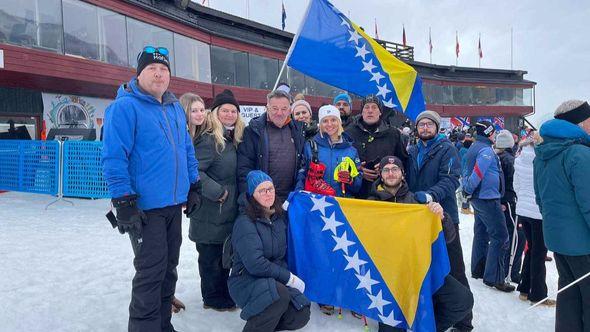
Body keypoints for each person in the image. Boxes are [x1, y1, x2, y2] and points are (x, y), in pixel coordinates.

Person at [102, 46, 200, 332]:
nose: (159, 74)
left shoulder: (172, 108)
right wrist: (123, 200)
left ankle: (162, 324)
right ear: (139, 73)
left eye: (164, 69)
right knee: (150, 272)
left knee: (169, 270)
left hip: (172, 206)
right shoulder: (124, 107)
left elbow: (186, 149)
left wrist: (194, 185)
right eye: (152, 69)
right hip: (144, 208)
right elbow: (114, 156)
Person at [368, 156, 473, 332]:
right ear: (381, 175)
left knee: (462, 300)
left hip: (422, 270)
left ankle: (427, 328)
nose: (391, 173)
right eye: (386, 170)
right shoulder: (370, 205)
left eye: (395, 169)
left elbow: (448, 238)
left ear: (403, 174)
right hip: (389, 277)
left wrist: (442, 217)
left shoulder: (418, 202)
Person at [406, 110, 473, 332]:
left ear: (436, 128)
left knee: (453, 268)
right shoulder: (413, 150)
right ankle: (433, 313)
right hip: (418, 218)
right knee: (428, 265)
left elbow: (452, 179)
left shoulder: (446, 148)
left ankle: (464, 322)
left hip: (444, 218)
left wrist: (431, 195)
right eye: (421, 125)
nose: (425, 128)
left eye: (429, 125)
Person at [228, 171, 311, 332]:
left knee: (300, 313)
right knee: (278, 295)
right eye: (262, 190)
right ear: (252, 195)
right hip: (245, 280)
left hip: (273, 280)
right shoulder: (245, 222)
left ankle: (266, 324)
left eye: (270, 189)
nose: (268, 194)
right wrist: (289, 278)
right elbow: (255, 264)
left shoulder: (278, 217)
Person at [534, 100, 590, 331]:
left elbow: (540, 199)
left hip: (558, 239)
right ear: (580, 122)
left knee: (568, 295)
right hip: (583, 244)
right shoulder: (580, 153)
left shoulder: (543, 154)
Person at [188, 89, 244, 312]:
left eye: (233, 111)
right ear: (216, 113)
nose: (230, 114)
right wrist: (217, 192)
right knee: (210, 257)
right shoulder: (209, 139)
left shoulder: (234, 138)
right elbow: (195, 172)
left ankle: (222, 292)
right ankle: (212, 297)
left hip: (226, 211)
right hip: (210, 210)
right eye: (225, 110)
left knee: (223, 255)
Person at [462, 120, 514, 292]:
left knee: (481, 232)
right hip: (487, 198)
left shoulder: (475, 147)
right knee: (500, 236)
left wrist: (469, 192)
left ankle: (478, 269)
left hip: (481, 197)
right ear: (489, 133)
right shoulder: (485, 150)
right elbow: (477, 173)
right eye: (494, 132)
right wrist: (468, 190)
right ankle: (494, 278)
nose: (495, 136)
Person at [237, 89, 305, 205]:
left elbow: (302, 165)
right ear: (267, 108)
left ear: (289, 110)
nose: (279, 113)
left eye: (284, 109)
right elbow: (244, 168)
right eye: (274, 108)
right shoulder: (253, 131)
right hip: (262, 200)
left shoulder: (298, 130)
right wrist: (250, 200)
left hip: (291, 199)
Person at [514, 132, 555, 306]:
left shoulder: (519, 159)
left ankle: (524, 288)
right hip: (538, 212)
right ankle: (538, 295)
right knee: (539, 253)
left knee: (531, 250)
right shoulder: (543, 161)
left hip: (523, 209)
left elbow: (516, 185)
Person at [345, 95, 408, 198]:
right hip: (356, 193)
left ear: (380, 112)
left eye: (374, 107)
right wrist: (357, 171)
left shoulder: (393, 134)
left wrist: (387, 166)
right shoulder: (349, 133)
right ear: (362, 111)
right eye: (366, 107)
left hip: (386, 194)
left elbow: (403, 161)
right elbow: (340, 161)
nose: (370, 111)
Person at [296, 105, 362, 197]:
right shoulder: (310, 146)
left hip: (341, 204)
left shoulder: (351, 150)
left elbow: (358, 186)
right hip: (316, 203)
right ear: (320, 124)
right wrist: (298, 194)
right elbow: (301, 175)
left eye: (333, 120)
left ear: (339, 122)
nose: (329, 124)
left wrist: (351, 180)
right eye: (325, 121)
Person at [494, 130, 524, 283]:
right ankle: (511, 271)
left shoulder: (497, 156)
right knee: (516, 237)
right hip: (509, 200)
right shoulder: (509, 160)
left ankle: (506, 269)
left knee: (508, 235)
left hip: (503, 200)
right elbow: (513, 182)